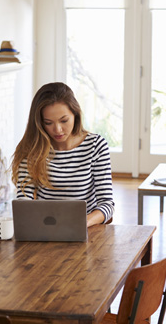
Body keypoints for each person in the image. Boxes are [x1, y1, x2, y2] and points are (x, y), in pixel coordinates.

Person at [11, 81, 115, 227]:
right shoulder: (32, 149)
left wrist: (81, 223)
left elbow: (107, 204)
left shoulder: (96, 146)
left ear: (75, 114)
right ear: (40, 123)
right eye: (48, 123)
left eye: (64, 120)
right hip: (45, 230)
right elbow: (24, 202)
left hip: (86, 231)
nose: (58, 130)